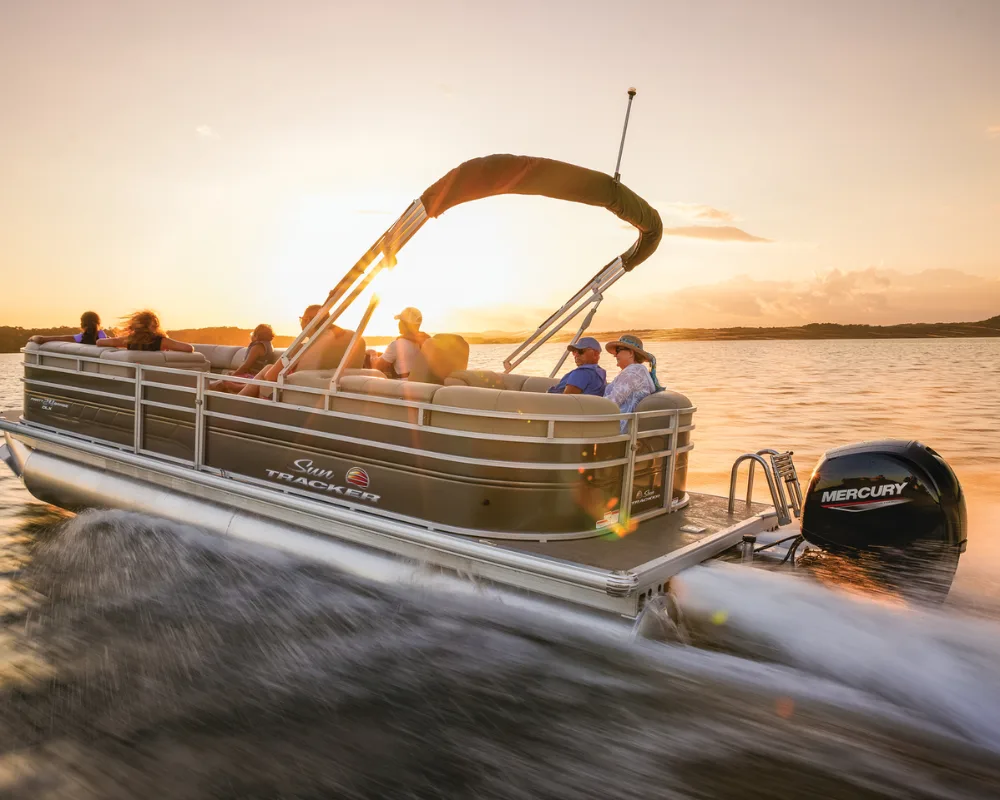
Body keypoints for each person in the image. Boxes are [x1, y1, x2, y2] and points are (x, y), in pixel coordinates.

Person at [237, 304, 357, 398]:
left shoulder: (301, 348)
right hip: (316, 389)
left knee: (268, 368)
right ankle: (240, 390)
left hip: (290, 390)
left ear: (308, 320)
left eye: (302, 319)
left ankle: (238, 400)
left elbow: (271, 377)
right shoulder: (335, 345)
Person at [602, 334, 662, 432]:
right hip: (627, 424)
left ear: (630, 353)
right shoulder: (639, 371)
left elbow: (612, 402)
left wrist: (589, 407)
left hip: (620, 427)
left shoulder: (631, 373)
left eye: (618, 351)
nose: (615, 355)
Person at [210, 324, 275, 393]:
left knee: (218, 385)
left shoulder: (257, 347)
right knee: (227, 375)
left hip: (252, 377)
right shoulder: (269, 346)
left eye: (253, 333)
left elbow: (246, 366)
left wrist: (233, 375)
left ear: (257, 335)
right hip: (255, 377)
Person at [372, 307, 429, 380]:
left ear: (404, 324)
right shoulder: (427, 342)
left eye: (400, 321)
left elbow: (377, 366)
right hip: (420, 384)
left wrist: (372, 353)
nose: (399, 324)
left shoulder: (397, 345)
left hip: (402, 387)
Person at [97, 310, 194, 352]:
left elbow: (99, 342)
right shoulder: (161, 341)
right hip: (158, 379)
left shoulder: (128, 341)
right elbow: (189, 348)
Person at [28, 311, 109, 345]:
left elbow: (41, 339)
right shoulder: (104, 338)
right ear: (99, 323)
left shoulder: (79, 338)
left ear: (82, 325)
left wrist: (33, 337)